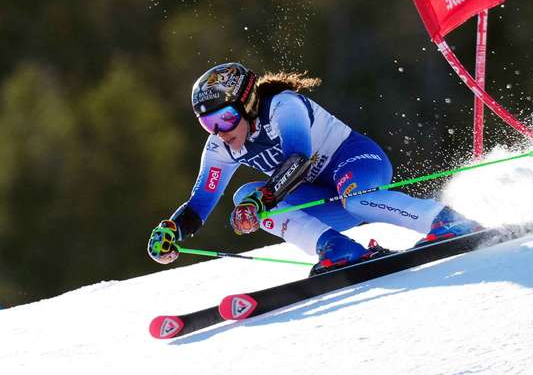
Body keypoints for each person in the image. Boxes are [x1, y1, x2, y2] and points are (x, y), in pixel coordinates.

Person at [147, 62, 482, 275]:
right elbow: (200, 203)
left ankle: (446, 221)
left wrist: (262, 200)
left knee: (353, 199)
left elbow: (298, 158)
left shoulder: (283, 107)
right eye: (208, 123)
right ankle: (338, 249)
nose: (219, 130)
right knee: (243, 195)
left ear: (247, 104)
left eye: (225, 117)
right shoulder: (219, 147)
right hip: (322, 197)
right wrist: (174, 231)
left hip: (354, 162)